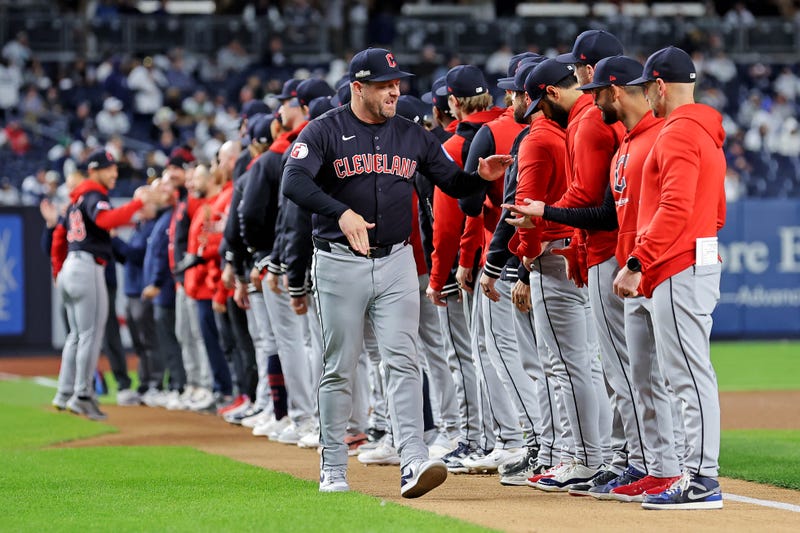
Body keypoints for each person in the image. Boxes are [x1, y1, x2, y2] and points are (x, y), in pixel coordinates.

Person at [282, 47, 511, 497]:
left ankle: (412, 460)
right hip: (337, 260)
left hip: (397, 260)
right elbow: (294, 180)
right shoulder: (324, 130)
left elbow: (452, 184)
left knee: (403, 362)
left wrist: (479, 176)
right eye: (384, 84)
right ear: (358, 88)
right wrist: (340, 212)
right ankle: (332, 465)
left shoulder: (411, 135)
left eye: (397, 83)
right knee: (339, 367)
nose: (394, 90)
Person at [615, 46, 726, 511]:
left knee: (687, 376)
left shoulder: (679, 132)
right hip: (694, 258)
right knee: (685, 374)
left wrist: (638, 261)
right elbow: (716, 213)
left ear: (660, 86)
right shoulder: (708, 130)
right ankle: (695, 473)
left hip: (679, 264)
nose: (647, 97)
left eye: (647, 88)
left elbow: (676, 207)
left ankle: (702, 479)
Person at [51, 150, 157, 420]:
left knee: (76, 335)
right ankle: (83, 395)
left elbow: (59, 236)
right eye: (110, 169)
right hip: (87, 266)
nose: (115, 173)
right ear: (95, 169)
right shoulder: (93, 194)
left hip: (71, 266)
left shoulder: (76, 200)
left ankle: (64, 392)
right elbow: (106, 220)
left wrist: (58, 270)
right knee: (90, 335)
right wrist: (135, 205)